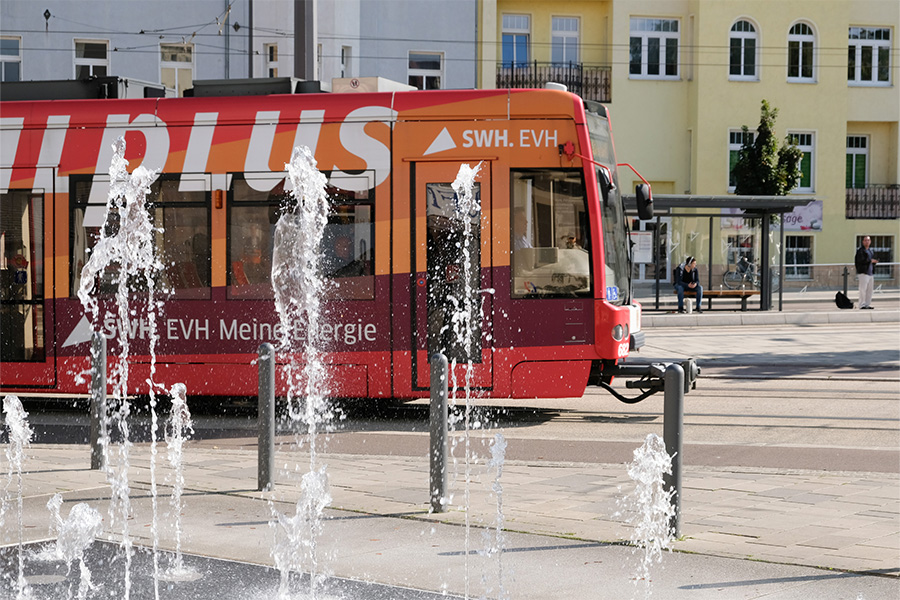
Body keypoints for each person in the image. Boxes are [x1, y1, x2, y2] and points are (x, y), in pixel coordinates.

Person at [854, 235, 878, 309]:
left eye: (868, 240)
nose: (867, 242)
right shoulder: (860, 251)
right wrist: (870, 261)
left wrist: (874, 262)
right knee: (862, 290)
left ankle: (867, 304)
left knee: (869, 290)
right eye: (865, 240)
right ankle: (861, 304)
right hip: (863, 273)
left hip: (870, 273)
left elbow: (871, 261)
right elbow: (860, 261)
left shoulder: (870, 251)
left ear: (870, 241)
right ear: (863, 242)